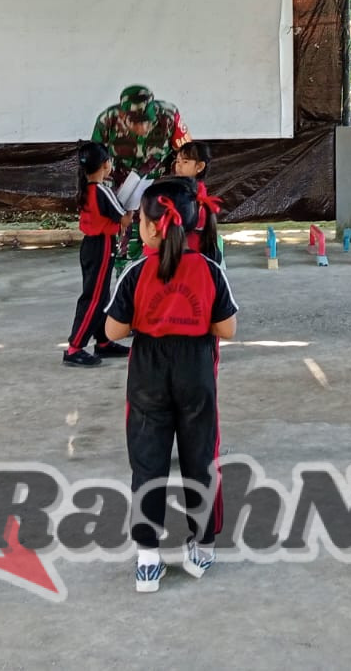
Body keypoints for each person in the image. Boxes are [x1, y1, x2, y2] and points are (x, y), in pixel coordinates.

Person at [104, 180, 237, 594]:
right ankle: (203, 546)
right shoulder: (209, 269)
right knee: (200, 456)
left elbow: (113, 329)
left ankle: (147, 558)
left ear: (151, 227)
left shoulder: (136, 271)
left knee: (148, 462)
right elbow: (227, 329)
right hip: (195, 368)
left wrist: (152, 319)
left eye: (141, 220)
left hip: (148, 371)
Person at [92, 85, 191, 265]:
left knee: (162, 234)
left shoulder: (168, 116)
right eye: (136, 122)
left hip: (158, 184)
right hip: (122, 188)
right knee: (124, 238)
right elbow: (95, 162)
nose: (143, 127)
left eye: (147, 120)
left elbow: (188, 154)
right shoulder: (107, 120)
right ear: (123, 116)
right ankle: (125, 273)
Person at [65, 141, 132, 368]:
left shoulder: (86, 189)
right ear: (105, 165)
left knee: (100, 294)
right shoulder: (102, 190)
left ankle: (103, 341)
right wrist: (135, 202)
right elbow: (123, 218)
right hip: (102, 245)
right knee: (93, 298)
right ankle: (75, 347)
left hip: (90, 246)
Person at [173, 141, 223, 260]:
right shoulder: (180, 188)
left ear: (200, 166)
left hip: (191, 252)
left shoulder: (196, 192)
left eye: (185, 162)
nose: (179, 166)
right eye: (177, 161)